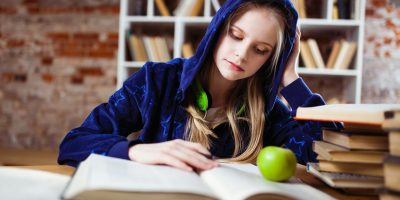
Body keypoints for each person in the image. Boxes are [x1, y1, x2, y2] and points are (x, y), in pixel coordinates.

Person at [58, 0, 340, 171]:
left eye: (261, 50)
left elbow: (333, 152)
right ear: (217, 30)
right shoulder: (157, 81)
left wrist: (290, 78)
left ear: (271, 60)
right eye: (236, 35)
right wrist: (135, 151)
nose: (242, 54)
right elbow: (74, 143)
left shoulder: (267, 111)